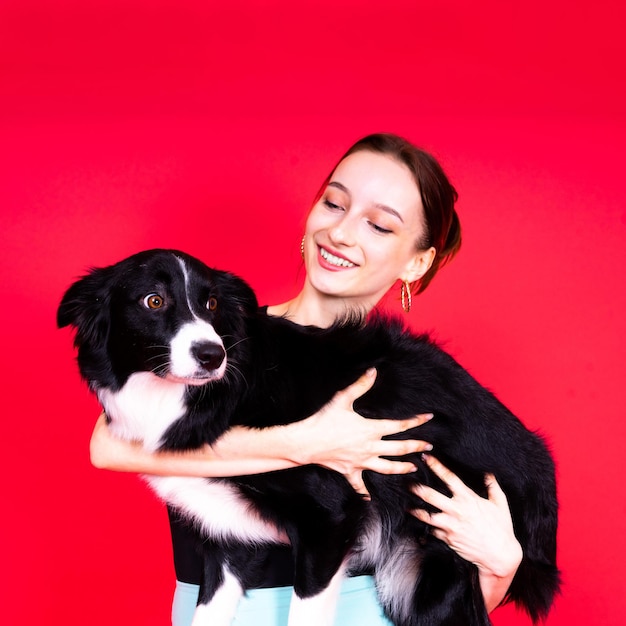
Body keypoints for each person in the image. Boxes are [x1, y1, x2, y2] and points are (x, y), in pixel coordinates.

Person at [89, 133, 523, 625]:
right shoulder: (215, 345)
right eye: (334, 204)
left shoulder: (413, 384)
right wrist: (307, 442)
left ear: (417, 262)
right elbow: (107, 448)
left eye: (379, 226)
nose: (341, 232)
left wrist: (502, 565)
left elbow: (451, 608)